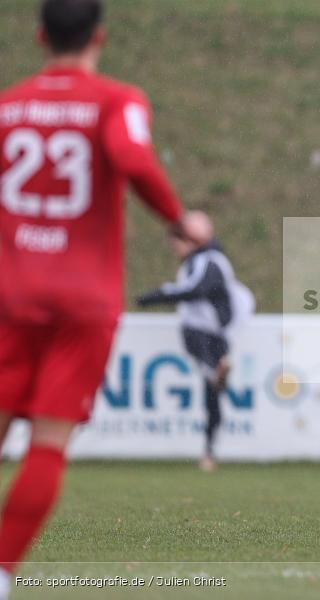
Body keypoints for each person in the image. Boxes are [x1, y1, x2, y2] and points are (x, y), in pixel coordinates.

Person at [0, 0, 189, 594]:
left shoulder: (7, 107)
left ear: (39, 37)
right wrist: (177, 219)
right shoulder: (116, 99)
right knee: (49, 445)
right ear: (99, 37)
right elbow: (131, 157)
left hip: (11, 292)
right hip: (82, 300)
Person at [136, 211, 254, 472]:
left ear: (190, 240)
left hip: (208, 331)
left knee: (191, 340)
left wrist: (154, 297)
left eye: (176, 242)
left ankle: (213, 371)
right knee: (211, 395)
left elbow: (194, 289)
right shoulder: (206, 260)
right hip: (217, 335)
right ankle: (209, 452)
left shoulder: (208, 260)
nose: (174, 248)